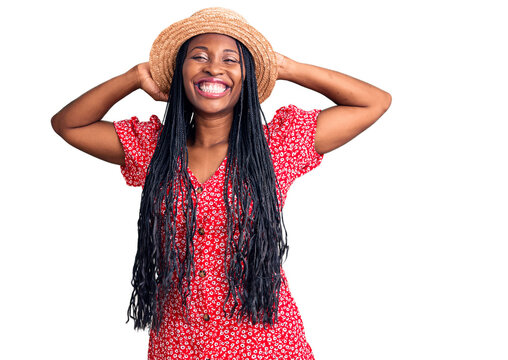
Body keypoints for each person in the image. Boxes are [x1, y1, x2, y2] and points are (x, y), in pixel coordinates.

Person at [51, 7, 391, 360]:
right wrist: (136, 76)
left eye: (231, 60)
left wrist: (286, 68)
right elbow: (69, 125)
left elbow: (373, 102)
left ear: (246, 77)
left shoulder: (276, 146)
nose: (214, 67)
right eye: (199, 57)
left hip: (264, 345)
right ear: (180, 73)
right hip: (179, 346)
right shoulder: (154, 148)